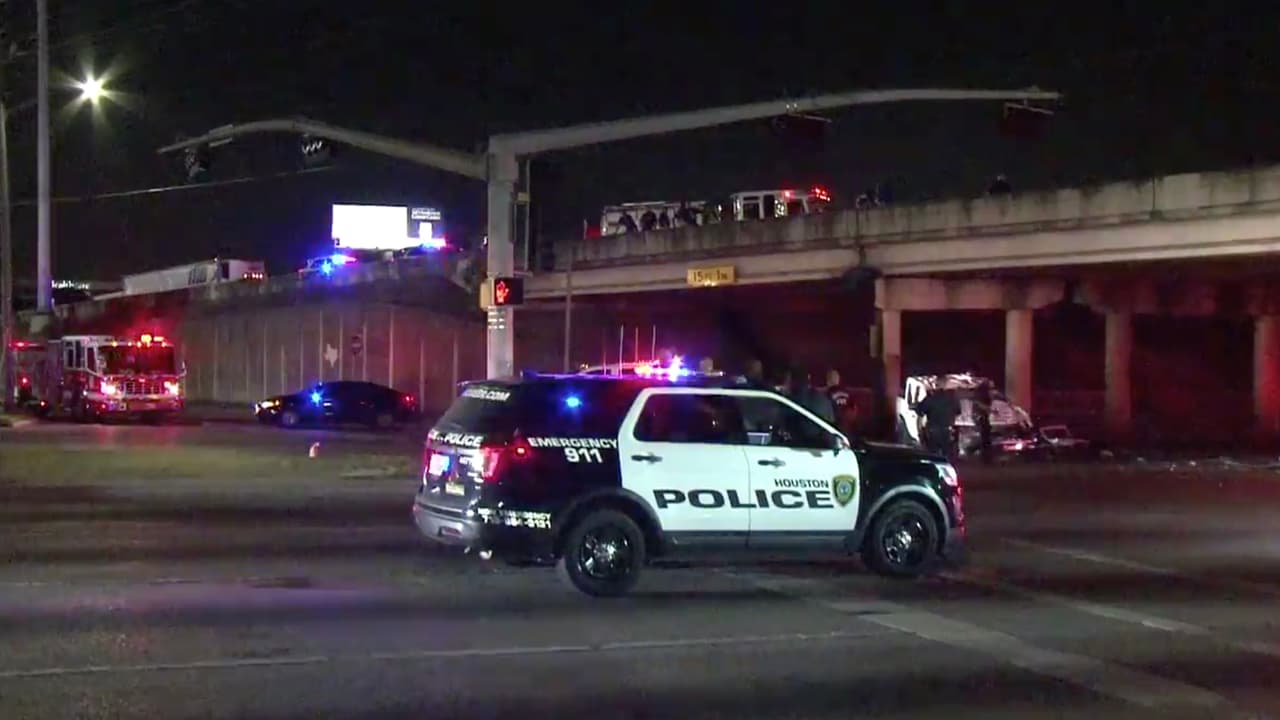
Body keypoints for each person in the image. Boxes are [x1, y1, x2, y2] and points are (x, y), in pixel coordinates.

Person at [823, 368, 856, 436]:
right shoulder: (848, 393)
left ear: (828, 381)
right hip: (848, 429)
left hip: (834, 429)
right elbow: (854, 409)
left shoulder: (826, 395)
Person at [974, 380, 994, 464]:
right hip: (983, 417)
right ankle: (986, 457)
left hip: (983, 417)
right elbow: (980, 404)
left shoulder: (982, 394)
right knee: (985, 437)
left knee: (985, 437)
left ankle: (986, 456)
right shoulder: (983, 395)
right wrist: (989, 409)